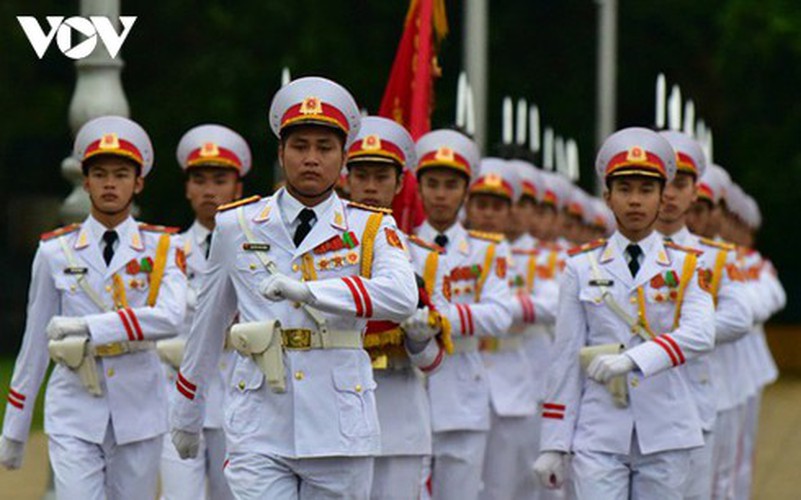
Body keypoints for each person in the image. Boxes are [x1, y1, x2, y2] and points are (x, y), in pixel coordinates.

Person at [170, 77, 418, 500]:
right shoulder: (237, 225)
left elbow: (402, 296)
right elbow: (207, 327)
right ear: (281, 153)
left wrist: (313, 292)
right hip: (260, 420)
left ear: (343, 159)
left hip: (339, 425)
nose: (311, 159)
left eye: (324, 148)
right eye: (300, 146)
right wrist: (186, 412)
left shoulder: (371, 226)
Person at [0, 115, 187, 499]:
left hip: (139, 410)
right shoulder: (55, 251)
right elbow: (34, 346)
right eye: (99, 174)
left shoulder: (164, 248)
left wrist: (88, 327)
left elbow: (170, 318)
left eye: (121, 174)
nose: (109, 183)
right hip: (75, 406)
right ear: (86, 182)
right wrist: (14, 430)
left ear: (138, 182)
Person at [533, 127, 715, 499]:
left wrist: (633, 359)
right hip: (599, 429)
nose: (635, 201)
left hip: (666, 429)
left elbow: (700, 333)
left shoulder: (687, 266)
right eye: (625, 190)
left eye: (646, 190)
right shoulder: (581, 267)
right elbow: (565, 358)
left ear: (663, 197)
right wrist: (553, 442)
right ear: (607, 197)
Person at [345, 115, 451, 499]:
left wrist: (421, 340)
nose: (370, 187)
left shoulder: (424, 259)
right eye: (361, 176)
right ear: (345, 178)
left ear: (401, 183)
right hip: (337, 414)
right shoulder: (317, 255)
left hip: (400, 410)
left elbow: (435, 364)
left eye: (382, 177)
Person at [414, 130, 513, 500]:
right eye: (433, 184)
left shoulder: (487, 250)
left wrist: (439, 319)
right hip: (413, 388)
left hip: (463, 390)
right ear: (419, 188)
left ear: (465, 191)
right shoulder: (399, 243)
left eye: (451, 185)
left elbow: (500, 315)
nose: (441, 194)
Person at [655, 130, 754, 500]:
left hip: (690, 401)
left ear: (695, 191)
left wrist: (665, 341)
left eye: (679, 183)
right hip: (625, 409)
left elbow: (740, 317)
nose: (667, 193)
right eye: (658, 182)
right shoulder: (609, 255)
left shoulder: (714, 257)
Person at [158, 124, 251, 500]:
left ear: (238, 188)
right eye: (199, 180)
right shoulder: (168, 250)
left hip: (238, 394)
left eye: (220, 179)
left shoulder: (255, 250)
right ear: (187, 188)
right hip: (180, 391)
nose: (209, 190)